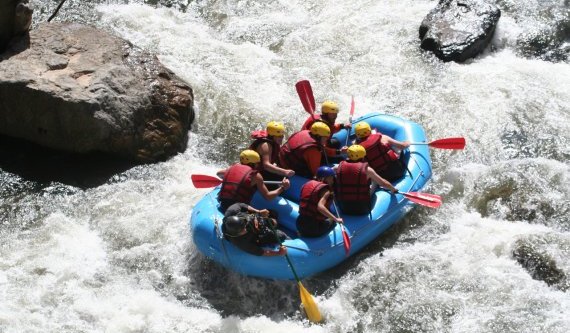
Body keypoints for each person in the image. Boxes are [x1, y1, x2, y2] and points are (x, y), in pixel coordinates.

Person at [217, 149, 290, 212]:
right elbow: (268, 197)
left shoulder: (230, 168)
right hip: (239, 208)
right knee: (273, 215)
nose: (258, 165)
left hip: (223, 203)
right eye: (257, 163)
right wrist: (282, 188)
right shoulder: (256, 176)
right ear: (254, 163)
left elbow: (219, 174)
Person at [334, 145, 398, 215]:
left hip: (343, 208)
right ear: (363, 156)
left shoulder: (337, 168)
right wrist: (393, 189)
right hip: (362, 208)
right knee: (374, 181)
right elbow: (383, 183)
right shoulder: (367, 170)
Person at [222, 203, 288, 256]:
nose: (245, 230)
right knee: (281, 235)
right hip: (256, 236)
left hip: (255, 221)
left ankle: (272, 224)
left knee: (273, 214)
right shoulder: (240, 241)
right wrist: (278, 253)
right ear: (236, 234)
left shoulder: (232, 212)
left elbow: (241, 205)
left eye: (244, 227)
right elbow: (261, 252)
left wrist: (258, 212)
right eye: (242, 231)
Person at [296, 166, 342, 237]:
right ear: (324, 178)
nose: (333, 181)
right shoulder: (326, 191)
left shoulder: (307, 184)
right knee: (332, 220)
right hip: (314, 228)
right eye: (331, 178)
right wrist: (336, 219)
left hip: (299, 224)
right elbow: (320, 207)